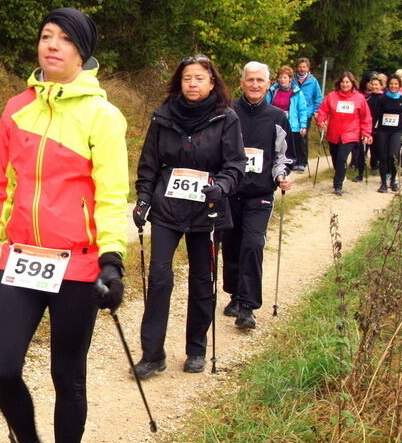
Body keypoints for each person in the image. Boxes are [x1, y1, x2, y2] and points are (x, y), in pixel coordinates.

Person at [0, 8, 128, 443]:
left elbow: (111, 194)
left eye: (63, 39)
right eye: (45, 36)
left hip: (78, 266)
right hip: (23, 258)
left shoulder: (103, 115)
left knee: (68, 376)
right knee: (2, 368)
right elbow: (3, 185)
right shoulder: (17, 109)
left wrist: (112, 259)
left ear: (82, 50)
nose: (51, 45)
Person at [132, 54, 245, 379]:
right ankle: (152, 355)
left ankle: (196, 349)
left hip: (207, 210)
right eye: (187, 78)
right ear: (179, 83)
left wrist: (221, 186)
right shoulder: (163, 116)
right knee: (159, 279)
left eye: (199, 78)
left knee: (201, 281)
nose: (192, 83)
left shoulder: (226, 118)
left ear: (212, 83)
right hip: (168, 208)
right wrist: (142, 199)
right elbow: (149, 162)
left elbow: (235, 165)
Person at [223, 62, 292, 329]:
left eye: (259, 80)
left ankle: (248, 307)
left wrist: (280, 175)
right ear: (241, 83)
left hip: (260, 194)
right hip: (230, 192)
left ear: (268, 83)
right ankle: (235, 294)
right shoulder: (228, 112)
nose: (254, 85)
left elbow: (283, 155)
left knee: (253, 244)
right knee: (231, 245)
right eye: (249, 80)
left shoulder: (277, 116)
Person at [316, 72, 372, 195]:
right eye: (342, 82)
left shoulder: (359, 98)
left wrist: (366, 133)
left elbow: (365, 117)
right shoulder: (332, 96)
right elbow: (323, 110)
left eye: (347, 82)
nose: (344, 84)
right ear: (339, 83)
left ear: (352, 83)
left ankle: (338, 185)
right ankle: (340, 175)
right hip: (334, 132)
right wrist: (321, 120)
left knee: (342, 158)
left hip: (351, 133)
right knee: (336, 158)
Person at [368, 75, 402, 192]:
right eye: (391, 84)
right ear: (388, 85)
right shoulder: (382, 99)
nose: (393, 86)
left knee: (393, 156)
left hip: (397, 131)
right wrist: (370, 132)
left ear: (399, 86)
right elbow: (375, 116)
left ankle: (393, 180)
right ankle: (383, 183)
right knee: (382, 156)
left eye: (396, 84)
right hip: (383, 130)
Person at [266, 65, 310, 170]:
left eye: (285, 77)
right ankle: (273, 162)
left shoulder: (297, 92)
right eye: (280, 77)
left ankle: (290, 164)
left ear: (290, 78)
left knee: (290, 145)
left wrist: (303, 125)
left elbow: (302, 110)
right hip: (274, 121)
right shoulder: (273, 90)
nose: (282, 80)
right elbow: (266, 104)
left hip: (291, 122)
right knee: (275, 143)